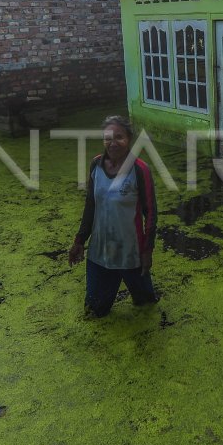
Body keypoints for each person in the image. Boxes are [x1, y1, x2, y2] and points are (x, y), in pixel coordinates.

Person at [68, 116, 159, 318]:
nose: (113, 142)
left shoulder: (139, 170)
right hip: (99, 254)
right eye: (108, 137)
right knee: (94, 311)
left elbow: (151, 213)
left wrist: (147, 251)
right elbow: (91, 205)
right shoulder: (96, 166)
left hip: (131, 255)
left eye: (119, 137)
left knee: (146, 307)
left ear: (129, 139)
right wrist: (79, 240)